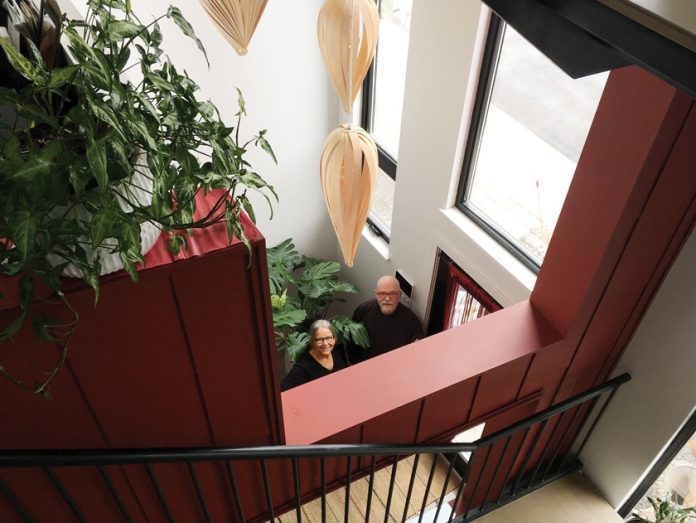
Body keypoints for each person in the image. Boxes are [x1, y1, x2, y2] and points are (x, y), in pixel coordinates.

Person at [350, 275, 424, 363]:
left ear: (399, 295)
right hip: (364, 367)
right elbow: (352, 342)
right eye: (382, 293)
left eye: (392, 293)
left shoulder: (411, 321)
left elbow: (416, 354)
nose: (387, 298)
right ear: (376, 294)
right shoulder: (363, 310)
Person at [280, 320, 349, 391]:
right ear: (312, 341)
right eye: (319, 339)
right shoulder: (303, 367)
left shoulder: (338, 351)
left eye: (328, 338)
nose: (325, 343)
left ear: (334, 338)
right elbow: (283, 389)